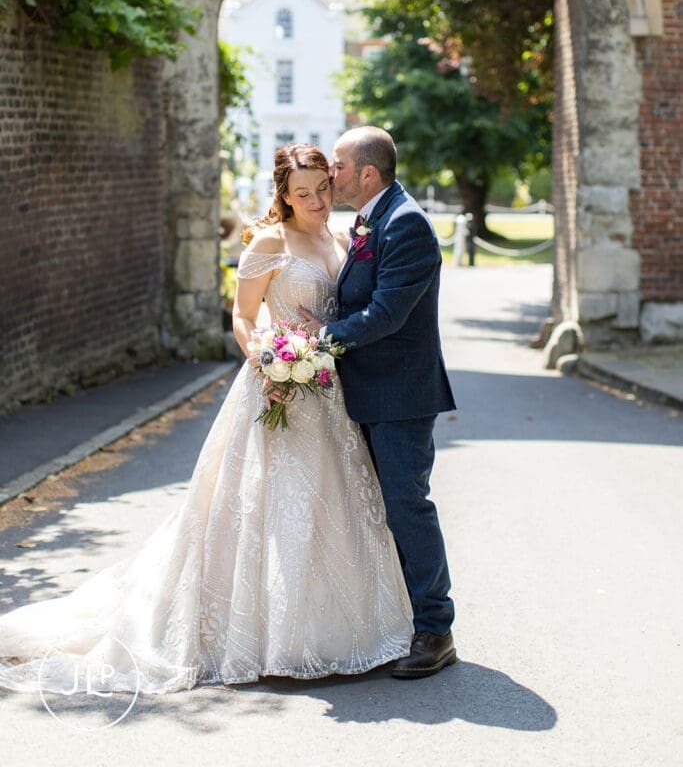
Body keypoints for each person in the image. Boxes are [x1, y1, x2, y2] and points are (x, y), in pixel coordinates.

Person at [0, 143, 413, 695]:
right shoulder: (269, 242)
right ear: (284, 195)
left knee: (328, 505)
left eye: (323, 189)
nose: (315, 200)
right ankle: (258, 635)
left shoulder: (342, 239)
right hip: (275, 387)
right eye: (302, 192)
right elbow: (243, 317)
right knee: (265, 507)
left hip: (328, 391)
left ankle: (328, 631)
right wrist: (266, 358)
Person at [298, 126, 457, 679]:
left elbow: (387, 314)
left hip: (401, 395)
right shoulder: (370, 219)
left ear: (367, 172)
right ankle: (399, 618)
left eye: (338, 166)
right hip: (368, 391)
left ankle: (436, 629)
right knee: (380, 509)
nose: (329, 173)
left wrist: (321, 340)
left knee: (407, 505)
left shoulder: (407, 223)